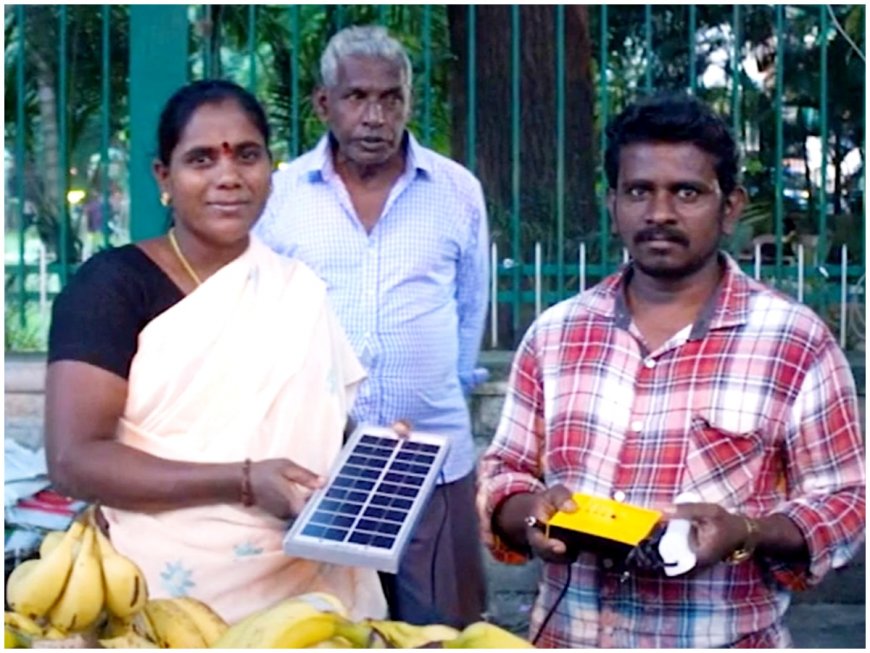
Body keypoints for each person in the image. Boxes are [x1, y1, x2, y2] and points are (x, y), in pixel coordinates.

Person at [477, 93, 866, 648]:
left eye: (686, 192)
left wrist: (745, 533)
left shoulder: (793, 342)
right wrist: (532, 515)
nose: (660, 213)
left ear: (729, 206)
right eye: (639, 191)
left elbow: (846, 502)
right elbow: (504, 473)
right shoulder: (556, 334)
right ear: (612, 203)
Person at [44, 79, 387, 624]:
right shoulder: (111, 288)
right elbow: (73, 459)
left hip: (308, 599)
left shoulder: (295, 288)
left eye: (247, 156)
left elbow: (316, 440)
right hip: (162, 600)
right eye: (201, 159)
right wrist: (246, 480)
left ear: (270, 168)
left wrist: (382, 461)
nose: (228, 177)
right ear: (164, 176)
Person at [255, 25, 490, 628]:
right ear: (323, 103)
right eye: (357, 97)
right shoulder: (281, 197)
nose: (375, 116)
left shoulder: (456, 191)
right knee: (329, 628)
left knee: (445, 630)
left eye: (391, 98)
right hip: (318, 461)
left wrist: (444, 387)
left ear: (409, 102)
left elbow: (469, 309)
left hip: (434, 459)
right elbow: (259, 318)